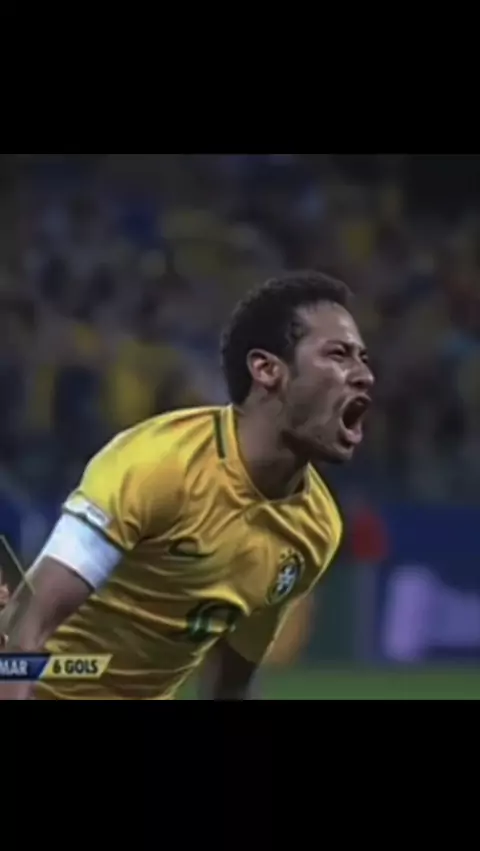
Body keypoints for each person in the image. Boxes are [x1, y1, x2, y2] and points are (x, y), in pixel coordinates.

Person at [0, 271, 374, 700]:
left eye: (362, 358)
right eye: (339, 354)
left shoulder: (317, 529)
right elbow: (24, 629)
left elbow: (230, 682)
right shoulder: (157, 465)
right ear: (267, 370)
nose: (364, 374)